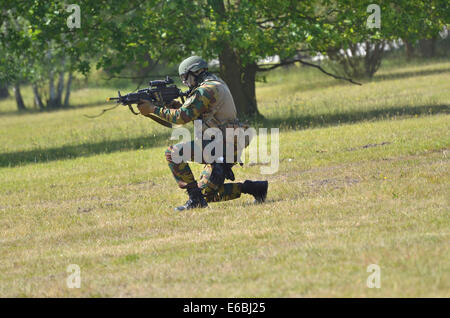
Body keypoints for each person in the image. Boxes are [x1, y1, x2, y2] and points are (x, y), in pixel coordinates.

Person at [137, 56, 268, 211]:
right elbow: (203, 115)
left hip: (222, 144)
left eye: (186, 78)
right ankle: (254, 188)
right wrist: (178, 106)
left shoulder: (205, 89)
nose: (185, 82)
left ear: (196, 72)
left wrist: (153, 109)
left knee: (173, 153)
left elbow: (181, 117)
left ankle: (195, 200)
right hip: (225, 143)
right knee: (206, 193)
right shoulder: (215, 83)